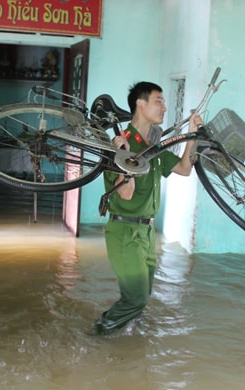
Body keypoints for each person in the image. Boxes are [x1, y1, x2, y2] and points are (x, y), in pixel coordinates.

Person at [92, 81, 203, 335]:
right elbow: (127, 194)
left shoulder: (153, 146)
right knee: (136, 300)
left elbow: (185, 169)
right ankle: (96, 337)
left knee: (141, 297)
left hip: (147, 233)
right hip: (125, 231)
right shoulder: (120, 144)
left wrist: (191, 134)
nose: (164, 107)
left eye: (164, 102)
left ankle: (126, 345)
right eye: (159, 101)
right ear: (140, 104)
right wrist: (126, 157)